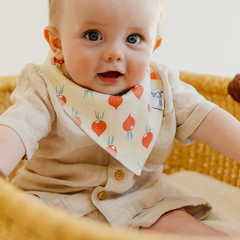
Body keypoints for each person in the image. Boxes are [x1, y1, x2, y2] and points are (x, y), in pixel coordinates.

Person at [0, 0, 239, 237]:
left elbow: (205, 116)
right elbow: (19, 125)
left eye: (133, 39)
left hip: (143, 202)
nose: (115, 53)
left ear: (153, 46)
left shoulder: (162, 86)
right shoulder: (44, 86)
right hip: (55, 202)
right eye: (93, 35)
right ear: (57, 43)